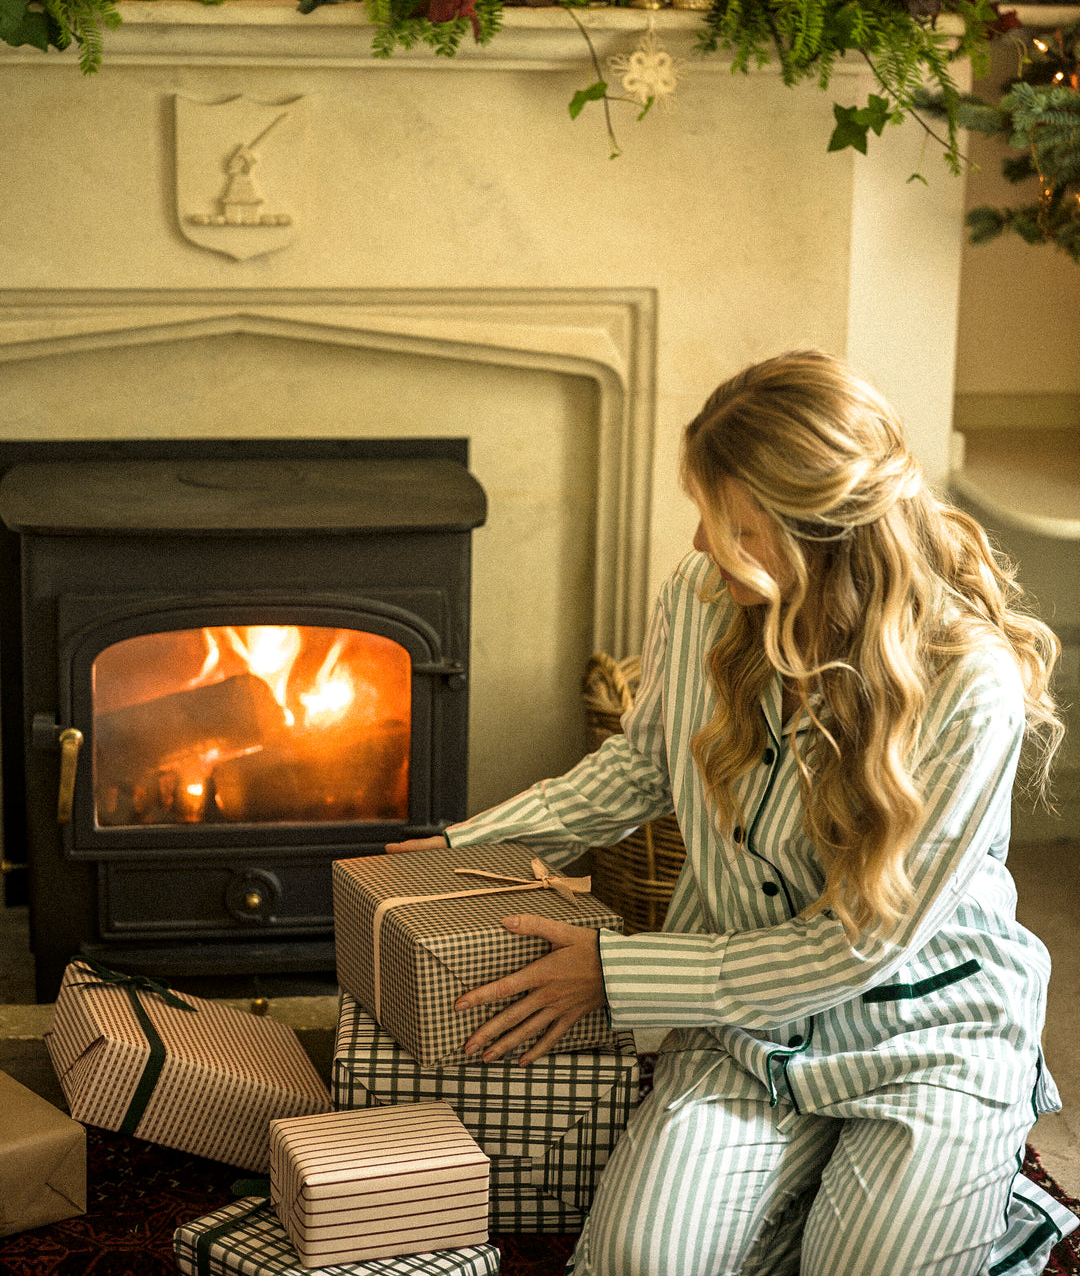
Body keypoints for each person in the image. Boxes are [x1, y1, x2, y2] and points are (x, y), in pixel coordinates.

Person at [388, 349, 1079, 1276]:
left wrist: (615, 973)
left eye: (734, 524)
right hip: (744, 1032)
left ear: (821, 534)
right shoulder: (704, 595)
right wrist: (451, 848)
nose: (706, 543)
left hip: (928, 1035)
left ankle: (985, 1210)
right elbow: (640, 768)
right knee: (639, 1263)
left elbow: (858, 945)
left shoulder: (971, 683)